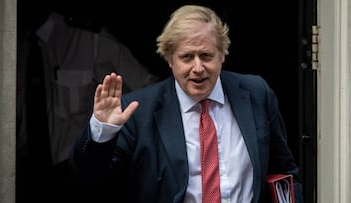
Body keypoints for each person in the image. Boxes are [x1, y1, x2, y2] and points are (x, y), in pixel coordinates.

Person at [70, 4, 303, 203]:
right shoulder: (137, 111)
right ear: (169, 59)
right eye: (187, 57)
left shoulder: (255, 93)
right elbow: (90, 181)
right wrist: (102, 131)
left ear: (223, 54)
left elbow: (283, 171)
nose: (198, 68)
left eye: (207, 56)